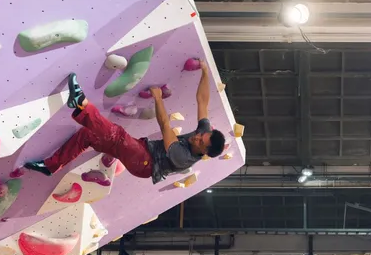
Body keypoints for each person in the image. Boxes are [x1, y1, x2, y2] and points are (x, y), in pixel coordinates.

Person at [24, 61, 225, 184]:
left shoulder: (183, 158)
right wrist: (205, 72)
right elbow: (203, 101)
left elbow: (165, 126)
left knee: (118, 136)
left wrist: (157, 98)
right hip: (144, 148)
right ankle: (50, 166)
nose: (197, 137)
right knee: (89, 135)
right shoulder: (205, 134)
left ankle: (81, 103)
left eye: (200, 142)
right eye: (201, 135)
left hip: (145, 163)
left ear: (204, 152)